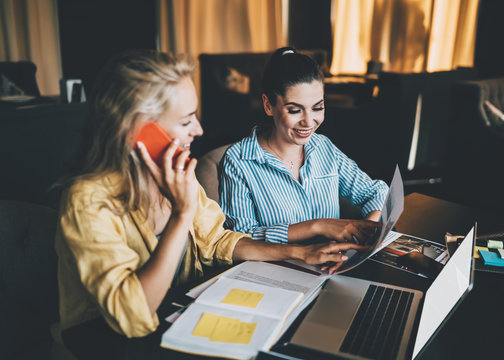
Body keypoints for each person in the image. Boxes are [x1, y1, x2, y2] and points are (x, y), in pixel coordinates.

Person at [55, 50, 365, 359]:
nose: (199, 130)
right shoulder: (88, 200)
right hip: (109, 339)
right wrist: (181, 214)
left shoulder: (175, 172)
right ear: (141, 131)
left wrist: (301, 253)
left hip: (179, 310)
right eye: (187, 120)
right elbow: (132, 317)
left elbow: (219, 240)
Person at [219, 46, 389, 246]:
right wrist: (317, 226)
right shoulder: (238, 161)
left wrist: (367, 234)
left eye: (318, 107)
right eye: (294, 110)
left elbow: (376, 192)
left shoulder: (323, 147)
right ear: (268, 105)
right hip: (278, 273)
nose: (308, 122)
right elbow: (241, 239)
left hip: (334, 268)